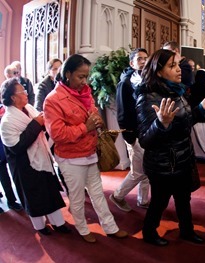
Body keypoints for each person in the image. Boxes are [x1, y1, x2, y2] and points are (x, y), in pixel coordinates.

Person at [135, 49, 205, 246]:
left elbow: (184, 122)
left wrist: (198, 110)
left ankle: (187, 231)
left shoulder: (177, 91)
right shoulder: (147, 97)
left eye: (178, 64)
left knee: (183, 198)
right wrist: (160, 124)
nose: (179, 70)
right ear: (158, 71)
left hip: (182, 157)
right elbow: (146, 140)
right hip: (163, 162)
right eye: (172, 66)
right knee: (159, 201)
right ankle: (149, 232)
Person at [43, 54, 127, 243]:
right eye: (80, 76)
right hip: (70, 157)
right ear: (67, 74)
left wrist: (96, 118)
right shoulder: (53, 100)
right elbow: (58, 134)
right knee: (78, 197)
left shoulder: (85, 92)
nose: (84, 81)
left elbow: (92, 110)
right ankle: (82, 228)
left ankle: (110, 227)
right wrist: (86, 127)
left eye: (86, 76)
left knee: (98, 194)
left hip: (89, 152)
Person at [0, 78, 69, 235]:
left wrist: (43, 122)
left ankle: (59, 223)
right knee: (34, 197)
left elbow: (40, 124)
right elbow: (17, 146)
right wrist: (37, 123)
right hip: (24, 165)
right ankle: (40, 226)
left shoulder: (28, 107)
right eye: (22, 91)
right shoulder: (7, 121)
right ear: (13, 97)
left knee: (50, 192)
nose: (26, 93)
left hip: (41, 158)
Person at [110, 48, 150, 212]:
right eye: (139, 59)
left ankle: (143, 199)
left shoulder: (146, 79)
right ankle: (118, 195)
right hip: (134, 133)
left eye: (145, 58)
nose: (143, 62)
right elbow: (122, 113)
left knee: (145, 168)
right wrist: (130, 136)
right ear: (131, 63)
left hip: (145, 130)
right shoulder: (125, 83)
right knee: (138, 171)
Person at [0, 102, 23, 213]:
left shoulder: (3, 108)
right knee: (3, 176)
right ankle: (11, 200)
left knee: (11, 175)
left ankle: (12, 201)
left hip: (5, 147)